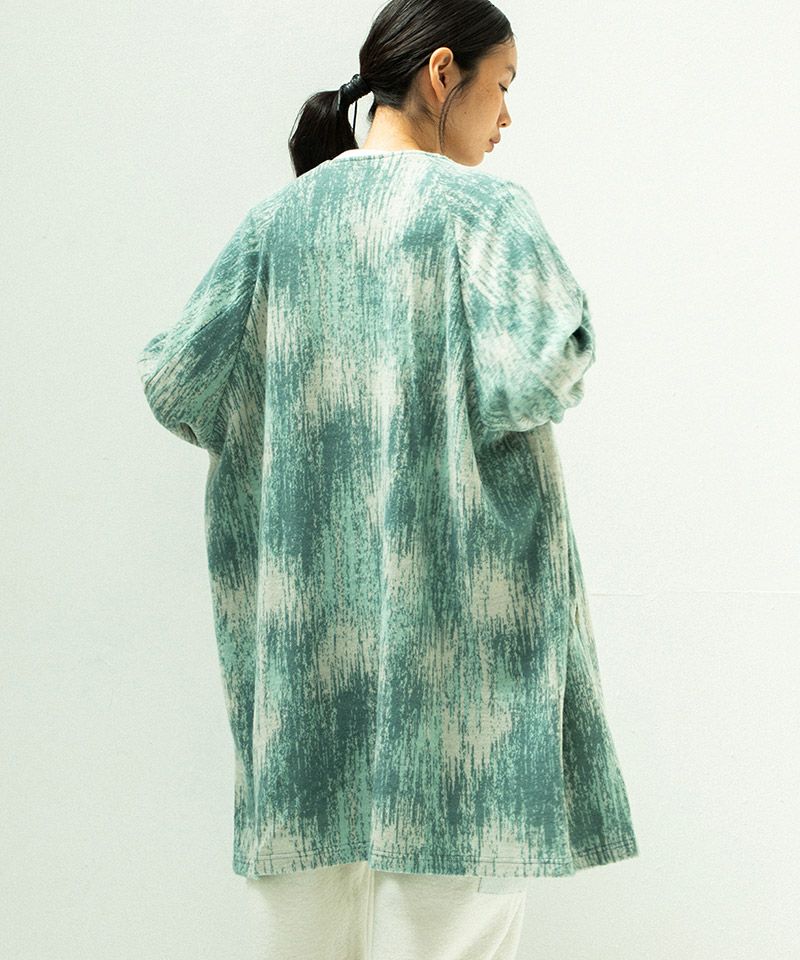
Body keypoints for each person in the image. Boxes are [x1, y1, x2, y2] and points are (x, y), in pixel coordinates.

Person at [137, 1, 639, 956]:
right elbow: (544, 363)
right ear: (443, 74)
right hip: (466, 700)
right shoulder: (484, 214)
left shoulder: (275, 228)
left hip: (301, 699)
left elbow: (176, 382)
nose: (507, 115)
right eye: (502, 86)